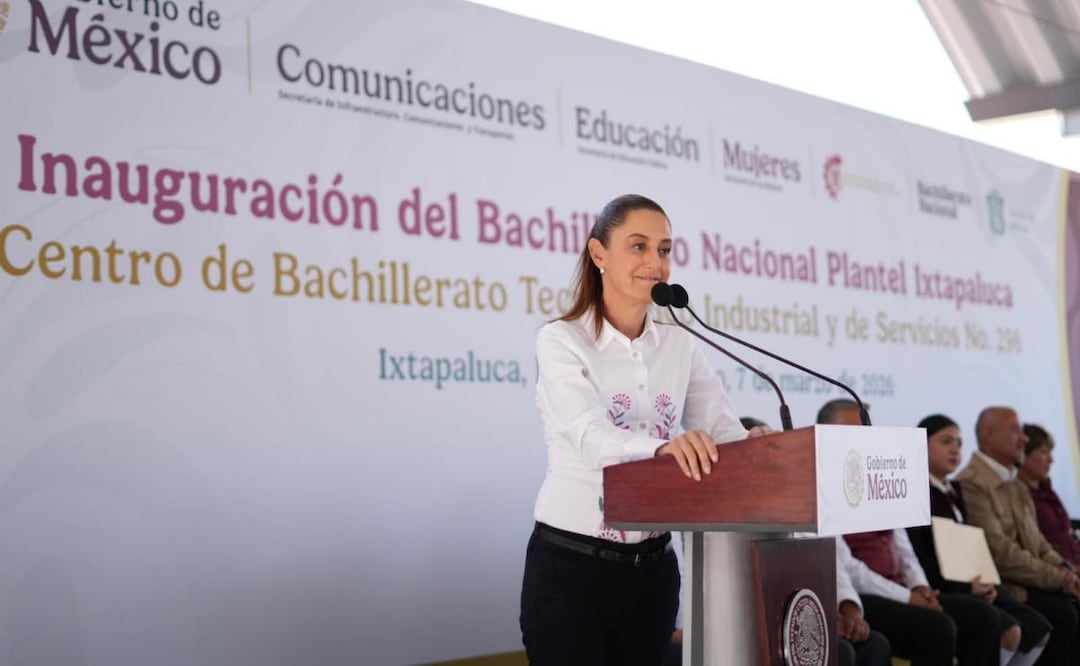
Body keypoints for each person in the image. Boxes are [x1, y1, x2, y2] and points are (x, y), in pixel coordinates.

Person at [519, 194, 766, 666]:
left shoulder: (680, 342)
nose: (656, 261)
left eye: (665, 249)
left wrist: (760, 450)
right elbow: (592, 439)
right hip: (571, 568)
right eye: (638, 246)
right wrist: (666, 448)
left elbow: (721, 430)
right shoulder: (561, 340)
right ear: (598, 255)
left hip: (654, 571)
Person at [820, 399, 962, 666]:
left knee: (980, 617)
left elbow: (904, 549)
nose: (861, 439)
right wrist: (908, 597)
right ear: (824, 435)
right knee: (937, 628)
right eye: (851, 432)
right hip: (864, 593)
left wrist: (919, 587)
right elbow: (846, 566)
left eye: (866, 430)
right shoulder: (823, 486)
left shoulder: (879, 474)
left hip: (900, 587)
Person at [907, 414, 1050, 666]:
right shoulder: (914, 493)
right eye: (946, 441)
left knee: (1039, 628)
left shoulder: (954, 491)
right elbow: (918, 556)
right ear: (921, 444)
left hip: (976, 581)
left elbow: (970, 544)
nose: (955, 450)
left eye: (960, 444)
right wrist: (965, 588)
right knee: (1007, 631)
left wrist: (983, 579)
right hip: (946, 585)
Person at [955, 406, 1080, 665]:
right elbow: (999, 553)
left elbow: (1039, 544)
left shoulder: (1015, 483)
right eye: (1015, 430)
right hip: (1006, 584)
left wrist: (1065, 570)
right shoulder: (973, 483)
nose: (1023, 438)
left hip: (1032, 581)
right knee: (1064, 614)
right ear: (989, 434)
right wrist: (1060, 579)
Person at [1017, 423, 1080, 568]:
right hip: (1058, 575)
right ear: (1023, 455)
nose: (1051, 459)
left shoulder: (1047, 490)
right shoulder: (1018, 495)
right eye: (1044, 452)